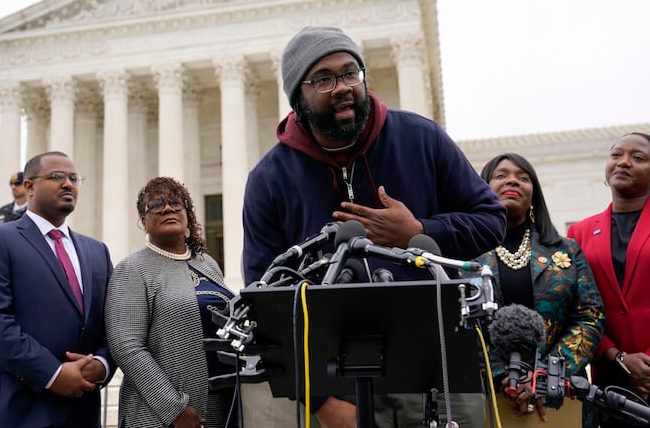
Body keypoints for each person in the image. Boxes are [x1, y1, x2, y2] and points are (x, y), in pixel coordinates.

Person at [241, 26, 507, 428]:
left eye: (351, 73)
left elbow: (491, 220)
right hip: (337, 381)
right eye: (325, 79)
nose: (343, 87)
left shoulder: (422, 138)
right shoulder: (269, 179)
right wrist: (319, 402)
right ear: (298, 97)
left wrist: (419, 229)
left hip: (439, 366)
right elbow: (266, 300)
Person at [0, 151, 116, 428]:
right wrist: (53, 374)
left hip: (80, 411)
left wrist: (103, 364)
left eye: (73, 178)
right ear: (29, 187)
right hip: (15, 410)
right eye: (57, 176)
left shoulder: (97, 252)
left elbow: (113, 322)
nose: (68, 183)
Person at [475, 153, 604, 427]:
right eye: (501, 175)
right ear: (482, 188)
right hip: (486, 397)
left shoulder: (566, 251)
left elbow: (590, 317)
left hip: (560, 397)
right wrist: (503, 374)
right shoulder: (463, 252)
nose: (513, 180)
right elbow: (455, 322)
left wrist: (545, 375)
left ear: (533, 195)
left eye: (523, 177)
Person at [106, 176, 238, 428]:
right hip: (163, 416)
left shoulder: (206, 264)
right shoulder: (132, 269)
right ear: (144, 222)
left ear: (187, 214)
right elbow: (127, 347)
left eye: (176, 203)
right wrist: (174, 408)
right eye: (156, 205)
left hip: (222, 405)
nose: (167, 208)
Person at [567, 132, 650, 427]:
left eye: (637, 158)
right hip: (612, 381)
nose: (624, 162)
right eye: (616, 155)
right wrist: (617, 357)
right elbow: (578, 306)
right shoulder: (579, 232)